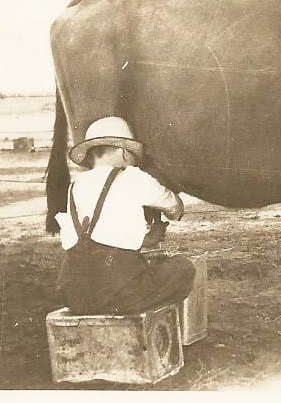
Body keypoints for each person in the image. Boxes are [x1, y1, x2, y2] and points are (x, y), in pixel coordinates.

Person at [54, 116, 195, 315]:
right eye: (130, 153)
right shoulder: (133, 177)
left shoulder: (75, 185)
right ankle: (142, 317)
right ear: (122, 151)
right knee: (183, 268)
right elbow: (174, 207)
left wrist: (144, 239)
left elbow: (95, 236)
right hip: (117, 292)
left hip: (74, 294)